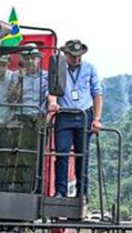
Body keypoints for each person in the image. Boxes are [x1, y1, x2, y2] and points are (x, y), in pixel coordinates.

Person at [47, 39, 104, 199]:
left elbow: (97, 93)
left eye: (79, 56)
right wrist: (53, 103)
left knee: (82, 154)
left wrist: (97, 118)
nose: (76, 59)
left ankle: (82, 193)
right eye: (73, 56)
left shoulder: (90, 68)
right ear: (66, 54)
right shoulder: (59, 68)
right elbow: (51, 89)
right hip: (64, 115)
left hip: (84, 115)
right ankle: (60, 191)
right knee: (62, 153)